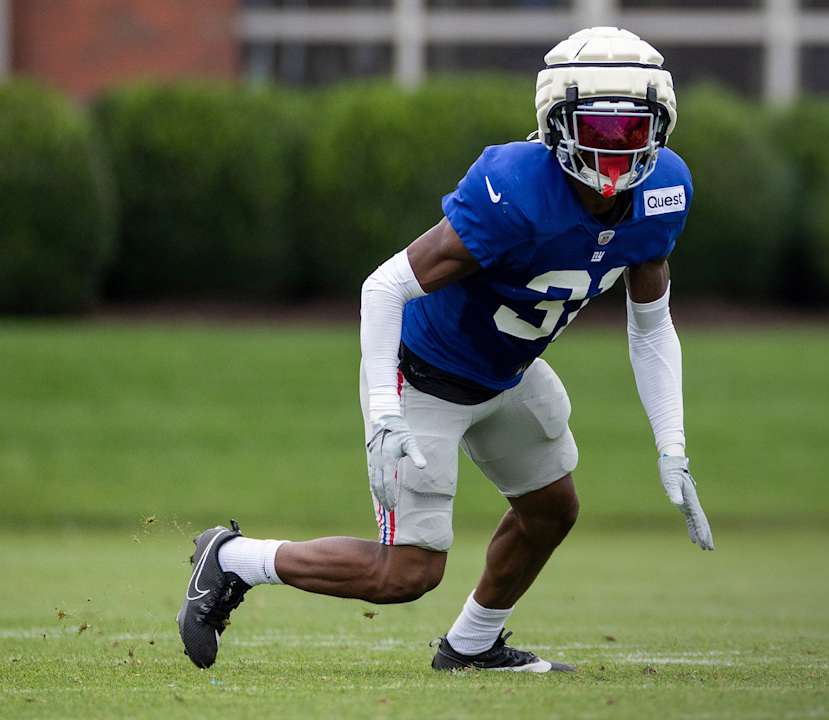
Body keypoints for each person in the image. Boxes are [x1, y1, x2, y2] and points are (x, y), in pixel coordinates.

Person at [177, 26, 713, 673]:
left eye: (632, 131)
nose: (615, 150)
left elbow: (651, 323)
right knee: (406, 574)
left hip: (507, 373)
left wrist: (673, 445)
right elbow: (385, 286)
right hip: (423, 377)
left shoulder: (663, 194)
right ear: (556, 122)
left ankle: (473, 645)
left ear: (661, 126)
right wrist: (383, 411)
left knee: (551, 511)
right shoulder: (514, 186)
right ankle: (234, 559)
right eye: (597, 130)